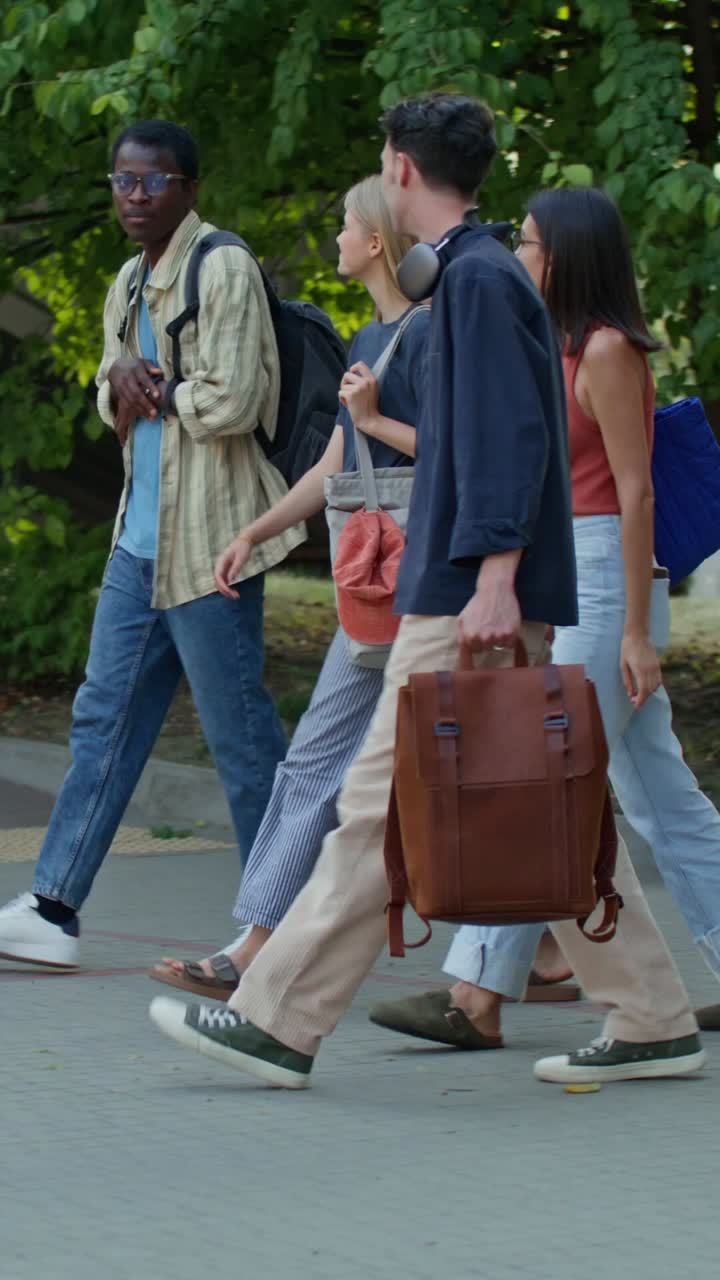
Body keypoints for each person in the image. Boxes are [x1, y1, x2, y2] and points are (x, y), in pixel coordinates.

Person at [147, 92, 699, 1092]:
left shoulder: (482, 284)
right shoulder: (482, 275)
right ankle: (656, 1013)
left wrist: (492, 576)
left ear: (401, 170)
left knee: (374, 807)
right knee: (554, 798)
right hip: (471, 581)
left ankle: (277, 1018)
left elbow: (503, 440)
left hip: (465, 589)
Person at [370, 186, 718, 1079]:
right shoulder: (550, 344)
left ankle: (477, 996)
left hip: (608, 576)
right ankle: (481, 993)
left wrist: (639, 630)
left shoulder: (604, 350)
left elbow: (634, 491)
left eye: (526, 241)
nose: (516, 253)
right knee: (656, 797)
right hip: (575, 568)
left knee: (540, 776)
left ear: (564, 254)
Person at [0, 120, 302, 970]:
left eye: (152, 182)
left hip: (211, 547)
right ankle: (54, 905)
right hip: (139, 546)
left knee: (242, 740)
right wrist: (119, 385)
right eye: (121, 181)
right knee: (103, 723)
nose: (133, 197)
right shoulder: (129, 279)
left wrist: (154, 387)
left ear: (189, 188)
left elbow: (237, 399)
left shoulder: (224, 267)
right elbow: (108, 390)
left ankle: (285, 924)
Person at [148, 174, 430, 998]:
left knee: (451, 772)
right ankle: (254, 946)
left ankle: (540, 948)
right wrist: (256, 530)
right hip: (371, 588)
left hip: (428, 588)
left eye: (345, 227)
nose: (335, 239)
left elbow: (459, 452)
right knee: (310, 764)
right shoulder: (370, 339)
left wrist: (376, 420)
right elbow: (338, 463)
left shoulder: (436, 335)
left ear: (376, 242)